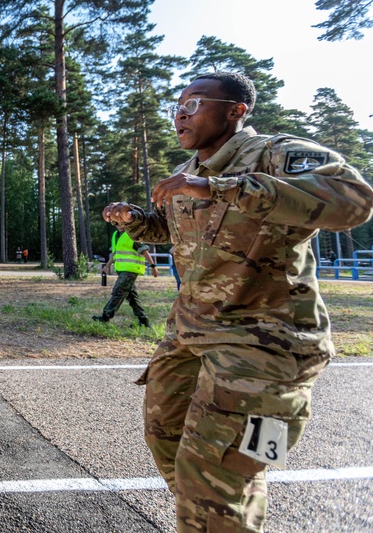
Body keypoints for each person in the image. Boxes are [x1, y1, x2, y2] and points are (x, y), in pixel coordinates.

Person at [103, 72, 373, 532]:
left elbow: (354, 200)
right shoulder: (191, 175)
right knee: (170, 445)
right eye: (177, 106)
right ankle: (223, 512)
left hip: (261, 345)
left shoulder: (274, 153)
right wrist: (139, 222)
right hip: (190, 336)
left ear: (236, 111)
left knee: (219, 474)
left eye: (194, 104)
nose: (180, 114)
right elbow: (181, 235)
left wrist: (226, 188)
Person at [92, 224, 158, 327]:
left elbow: (144, 251)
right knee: (132, 297)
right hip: (121, 270)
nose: (119, 225)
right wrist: (107, 267)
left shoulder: (133, 234)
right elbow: (115, 253)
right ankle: (144, 321)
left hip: (131, 270)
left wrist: (153, 266)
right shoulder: (115, 235)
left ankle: (106, 316)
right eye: (116, 223)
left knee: (118, 291)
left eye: (121, 222)